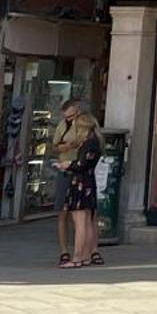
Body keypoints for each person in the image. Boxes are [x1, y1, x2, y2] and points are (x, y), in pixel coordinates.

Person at [60, 110, 103, 269]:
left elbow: (83, 164)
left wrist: (68, 165)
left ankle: (78, 256)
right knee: (85, 222)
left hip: (81, 183)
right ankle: (85, 256)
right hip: (87, 183)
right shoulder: (94, 142)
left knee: (80, 223)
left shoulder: (89, 144)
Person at [49, 99, 89, 266]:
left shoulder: (85, 126)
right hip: (64, 169)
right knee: (62, 212)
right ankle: (64, 250)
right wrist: (62, 148)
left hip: (78, 170)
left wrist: (76, 145)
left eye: (71, 116)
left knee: (79, 215)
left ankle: (81, 252)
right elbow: (54, 146)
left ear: (78, 112)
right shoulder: (62, 125)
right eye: (66, 116)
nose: (69, 119)